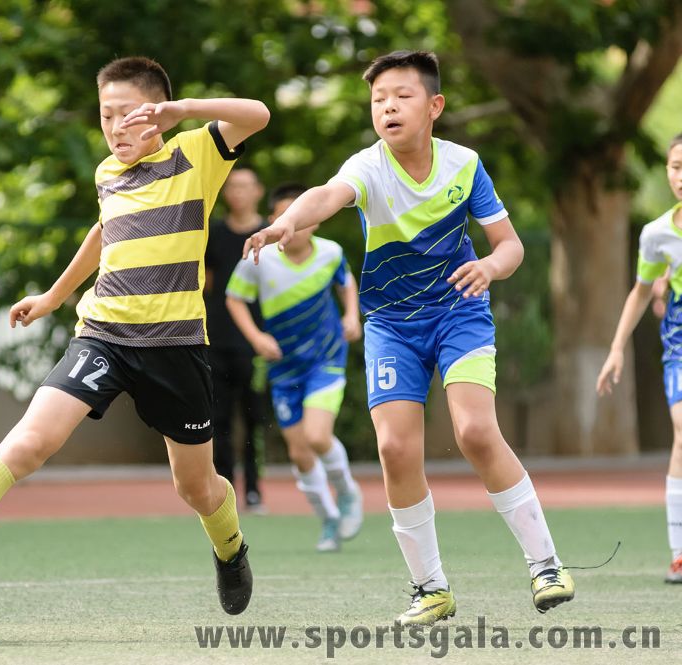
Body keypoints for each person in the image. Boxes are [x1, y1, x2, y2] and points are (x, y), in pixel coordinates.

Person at [244, 50, 573, 625]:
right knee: (395, 449)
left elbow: (511, 246)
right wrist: (287, 222)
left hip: (459, 312)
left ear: (434, 105)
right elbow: (326, 194)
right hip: (391, 324)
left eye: (402, 95)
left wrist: (490, 267)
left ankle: (546, 565)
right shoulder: (367, 167)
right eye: (378, 99)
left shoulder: (465, 165)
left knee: (475, 432)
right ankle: (430, 588)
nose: (388, 107)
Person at [0, 57, 270, 615]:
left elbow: (257, 114)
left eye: (126, 114)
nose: (115, 127)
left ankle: (230, 548)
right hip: (103, 336)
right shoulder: (106, 174)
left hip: (176, 347)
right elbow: (104, 230)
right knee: (30, 442)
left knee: (196, 488)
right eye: (105, 115)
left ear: (155, 113)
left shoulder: (196, 153)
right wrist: (53, 296)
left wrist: (183, 110)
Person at [226, 183, 364, 552]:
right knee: (300, 452)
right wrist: (256, 337)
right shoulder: (259, 257)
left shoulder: (331, 253)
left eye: (300, 216)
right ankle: (328, 519)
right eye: (285, 217)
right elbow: (234, 298)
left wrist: (352, 315)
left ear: (314, 220)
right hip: (284, 367)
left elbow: (346, 283)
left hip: (326, 359)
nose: (294, 225)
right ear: (272, 221)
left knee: (317, 437)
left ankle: (347, 492)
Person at [597, 133, 682, 584]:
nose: (681, 176)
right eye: (675, 167)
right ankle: (679, 553)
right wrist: (616, 349)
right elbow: (641, 292)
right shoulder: (656, 234)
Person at [204, 167, 269, 513]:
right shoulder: (214, 233)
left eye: (245, 186)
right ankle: (225, 489)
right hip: (217, 339)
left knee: (255, 418)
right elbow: (208, 282)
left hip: (257, 342)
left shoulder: (271, 234)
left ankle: (255, 491)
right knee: (220, 419)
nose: (238, 192)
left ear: (258, 191)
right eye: (232, 186)